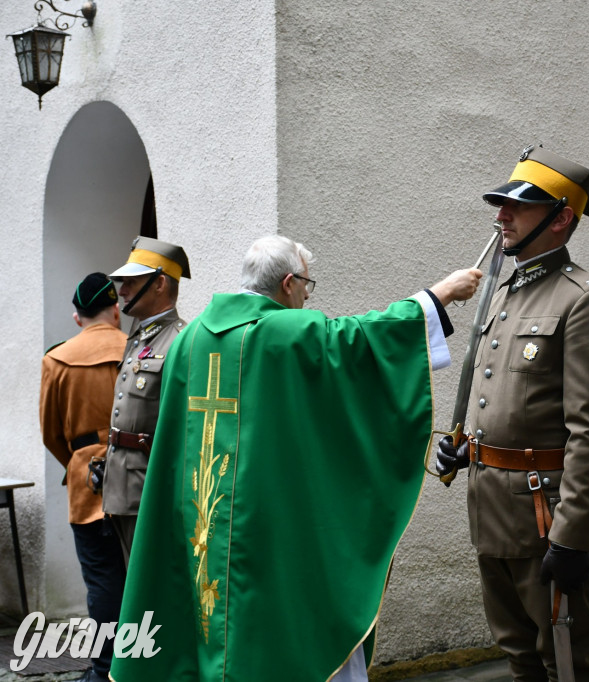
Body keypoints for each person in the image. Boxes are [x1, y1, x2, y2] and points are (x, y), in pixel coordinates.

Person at [109, 235, 482, 682]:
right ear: (288, 283)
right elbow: (364, 340)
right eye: (307, 284)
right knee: (276, 634)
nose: (308, 295)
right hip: (268, 533)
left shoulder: (191, 337)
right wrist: (439, 294)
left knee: (207, 631)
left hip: (199, 523)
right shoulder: (287, 333)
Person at [435, 145, 589, 681]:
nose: (502, 216)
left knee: (568, 663)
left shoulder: (584, 302)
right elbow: (509, 403)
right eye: (501, 204)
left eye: (517, 206)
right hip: (494, 512)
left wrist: (571, 536)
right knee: (520, 660)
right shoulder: (505, 294)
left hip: (547, 520)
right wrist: (464, 448)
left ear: (561, 218)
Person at [39, 273, 128, 682]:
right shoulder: (139, 351)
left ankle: (105, 669)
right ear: (115, 311)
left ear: (77, 317)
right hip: (141, 476)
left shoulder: (57, 359)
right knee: (144, 573)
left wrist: (80, 461)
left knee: (102, 580)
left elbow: (51, 433)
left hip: (86, 484)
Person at [102, 236, 191, 565]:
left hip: (150, 486)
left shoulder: (180, 340)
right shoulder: (139, 336)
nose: (121, 291)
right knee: (134, 584)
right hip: (123, 483)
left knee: (152, 585)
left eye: (130, 282)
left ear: (160, 283)